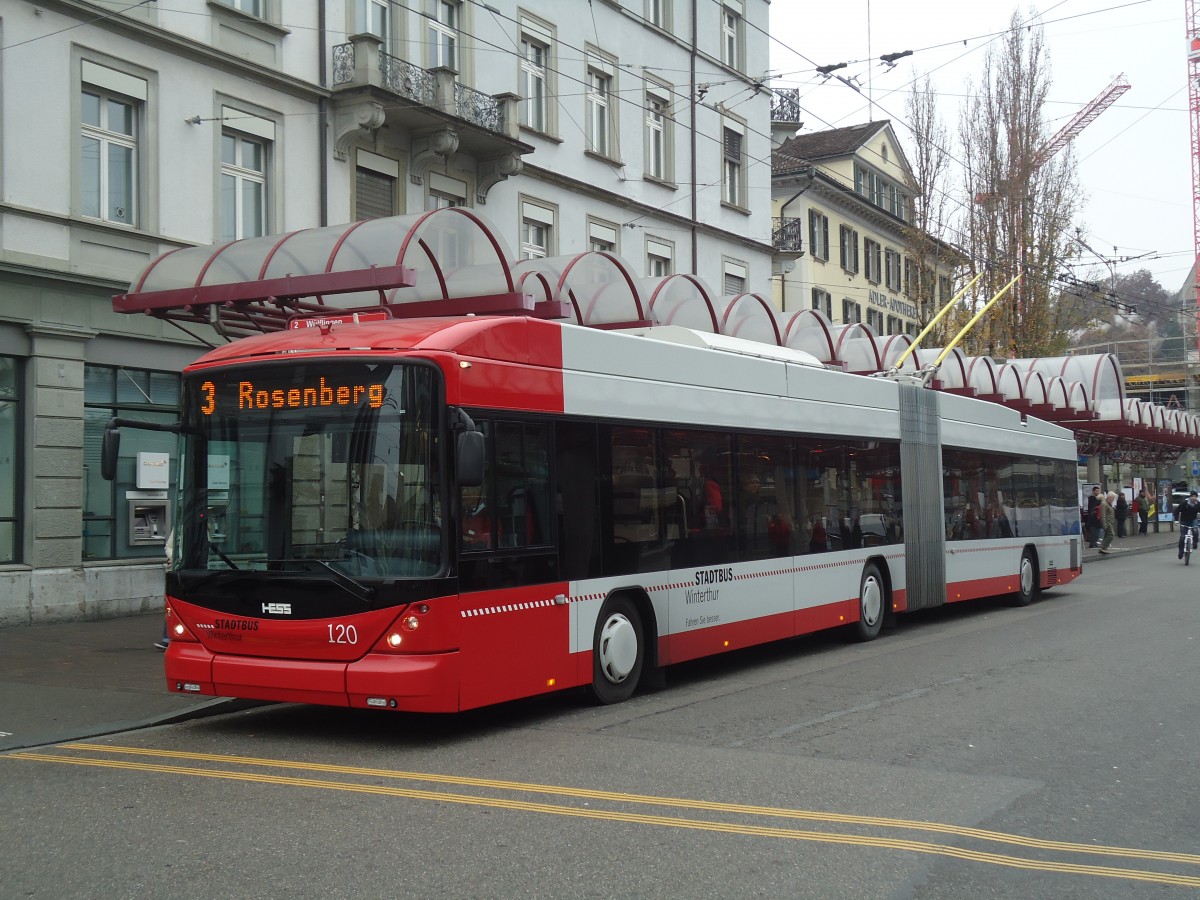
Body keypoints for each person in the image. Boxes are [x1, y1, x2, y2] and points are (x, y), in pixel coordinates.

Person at [1176, 490, 1200, 559]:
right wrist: (1176, 520)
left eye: (1195, 496)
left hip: (1193, 520)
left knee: (1195, 530)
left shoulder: (1198, 504)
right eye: (1192, 496)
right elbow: (1177, 511)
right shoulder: (1184, 503)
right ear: (1190, 497)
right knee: (1182, 537)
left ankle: (1195, 543)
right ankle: (1181, 552)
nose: (1194, 498)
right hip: (1184, 521)